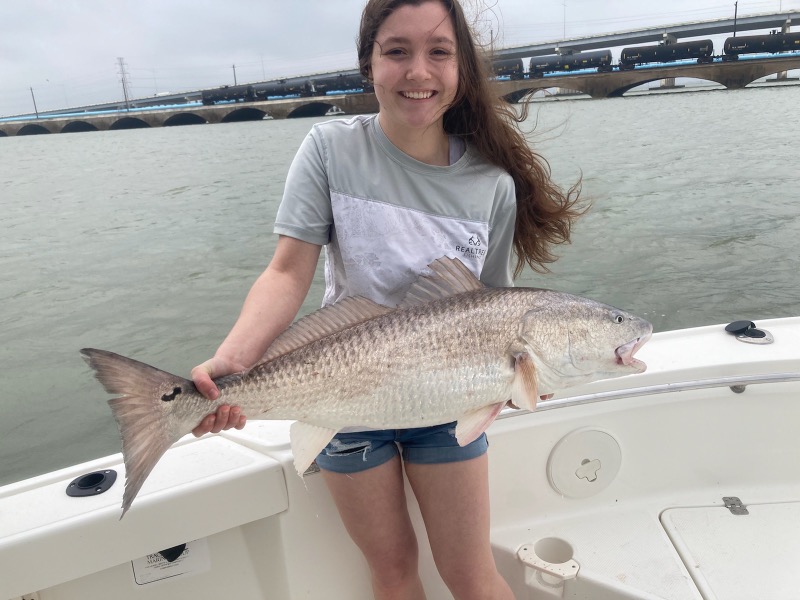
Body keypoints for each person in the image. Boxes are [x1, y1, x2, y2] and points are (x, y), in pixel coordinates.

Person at [190, 0, 582, 598]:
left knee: (472, 574)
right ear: (369, 63)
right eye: (396, 51)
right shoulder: (328, 149)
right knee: (393, 570)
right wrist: (234, 360)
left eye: (439, 52)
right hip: (344, 394)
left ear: (462, 69)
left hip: (451, 405)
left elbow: (496, 306)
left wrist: (535, 371)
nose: (418, 72)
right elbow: (287, 273)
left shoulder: (493, 186)